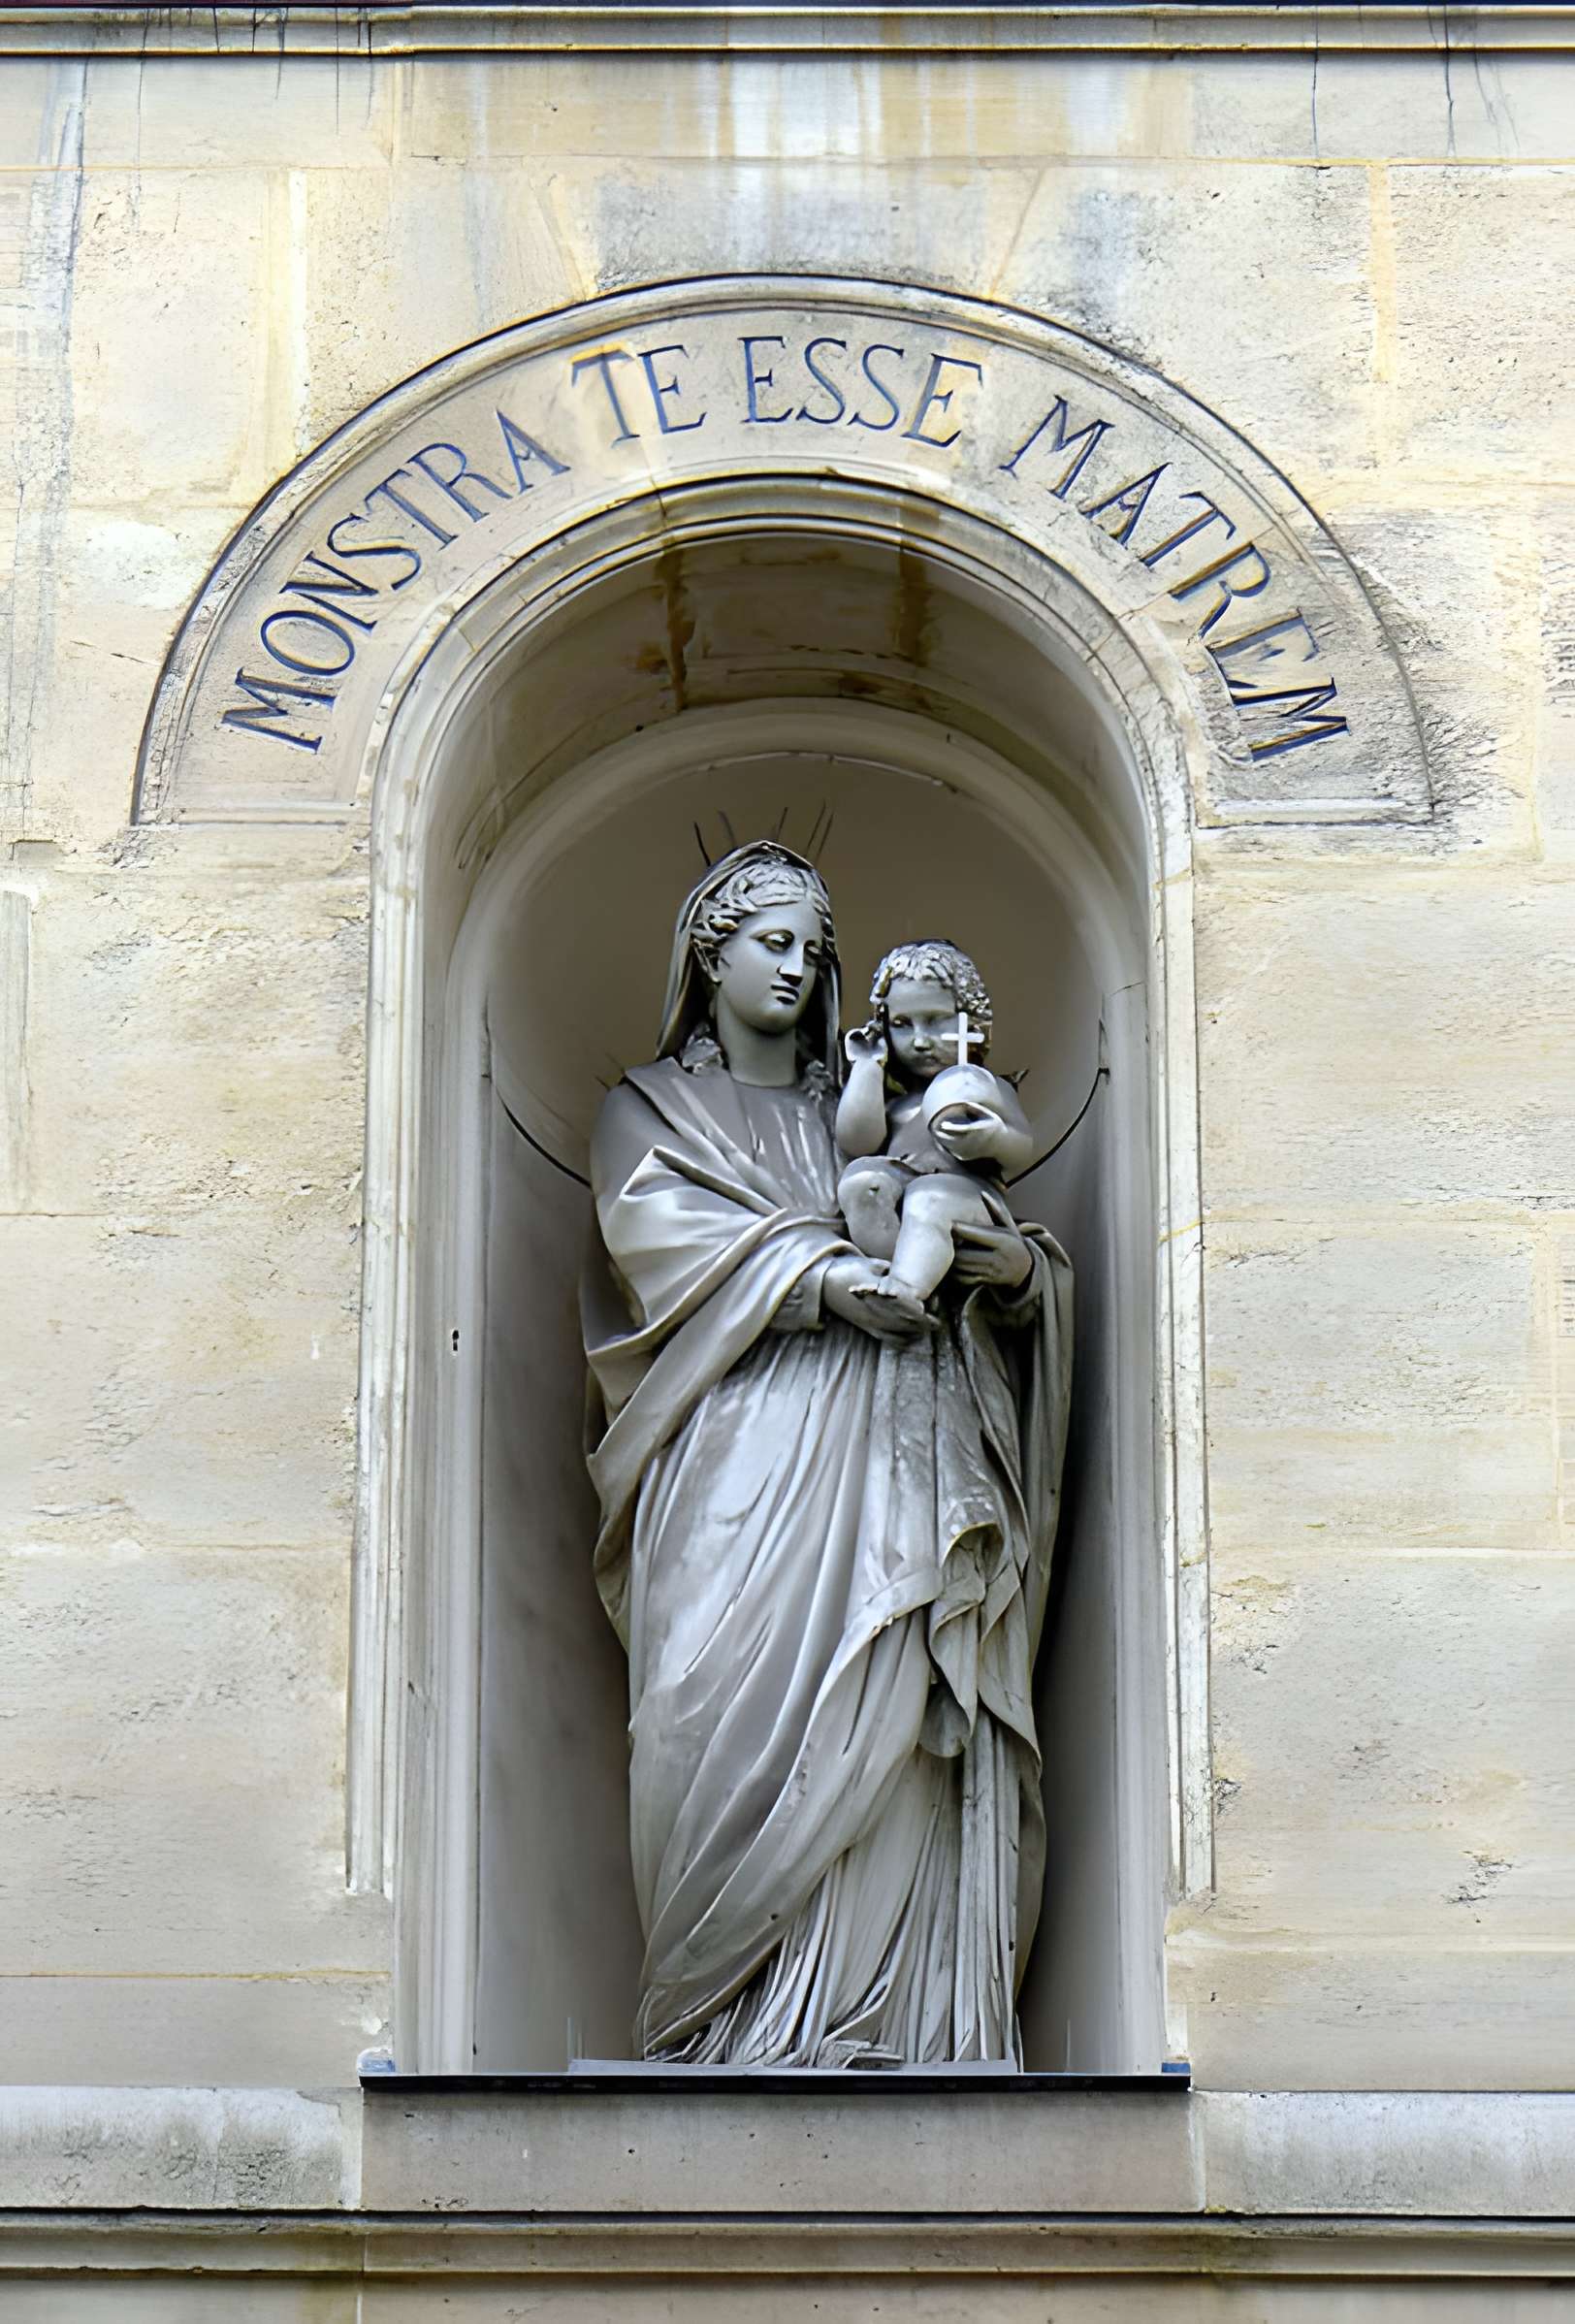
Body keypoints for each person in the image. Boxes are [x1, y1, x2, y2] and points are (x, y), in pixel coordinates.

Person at [582, 840, 1073, 2066]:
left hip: (897, 1437)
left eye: (815, 947)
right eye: (772, 943)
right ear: (712, 955)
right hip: (734, 1443)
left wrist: (1013, 1271)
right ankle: (714, 2022)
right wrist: (819, 1277)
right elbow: (658, 1238)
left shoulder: (876, 1106)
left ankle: (881, 2014)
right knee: (706, 1702)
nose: (800, 968)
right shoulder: (649, 1107)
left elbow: (985, 1224)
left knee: (893, 1690)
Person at [835, 939, 1034, 1313]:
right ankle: (889, 1275)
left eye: (935, 1020)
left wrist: (994, 1136)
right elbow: (855, 1142)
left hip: (963, 1199)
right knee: (862, 1182)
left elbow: (1022, 1145)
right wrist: (866, 1065)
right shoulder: (893, 1103)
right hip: (905, 1199)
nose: (920, 1040)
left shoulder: (983, 1087)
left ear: (968, 1019)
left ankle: (907, 1288)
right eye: (902, 1024)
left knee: (929, 1199)